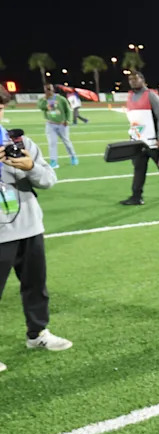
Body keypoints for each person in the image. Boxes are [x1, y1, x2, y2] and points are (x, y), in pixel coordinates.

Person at [0, 87, 72, 363]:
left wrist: (30, 167)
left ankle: (37, 333)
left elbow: (48, 180)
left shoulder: (20, 142)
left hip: (29, 227)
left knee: (35, 286)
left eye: (0, 109)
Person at [120, 71, 159, 205]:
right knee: (139, 169)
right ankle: (136, 197)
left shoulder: (151, 96)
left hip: (154, 141)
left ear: (143, 80)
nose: (133, 81)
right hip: (138, 141)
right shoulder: (130, 96)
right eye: (130, 79)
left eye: (136, 79)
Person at [37, 84, 78, 169]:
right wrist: (45, 99)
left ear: (53, 89)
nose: (48, 91)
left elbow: (67, 110)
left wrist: (67, 120)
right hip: (50, 124)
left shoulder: (61, 99)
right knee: (52, 143)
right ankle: (53, 161)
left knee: (67, 142)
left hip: (62, 124)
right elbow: (41, 107)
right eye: (46, 90)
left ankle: (73, 157)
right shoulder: (43, 99)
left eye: (49, 89)